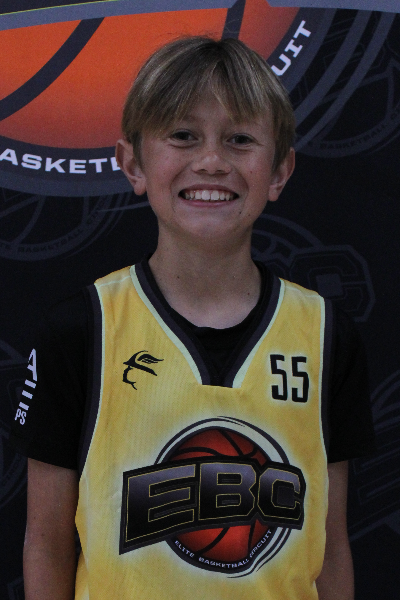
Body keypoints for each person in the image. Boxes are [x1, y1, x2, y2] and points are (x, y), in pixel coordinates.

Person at [10, 37, 375, 600]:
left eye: (240, 139)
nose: (211, 161)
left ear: (279, 171)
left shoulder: (326, 336)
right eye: (183, 135)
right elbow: (47, 543)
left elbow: (330, 548)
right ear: (133, 163)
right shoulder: (82, 329)